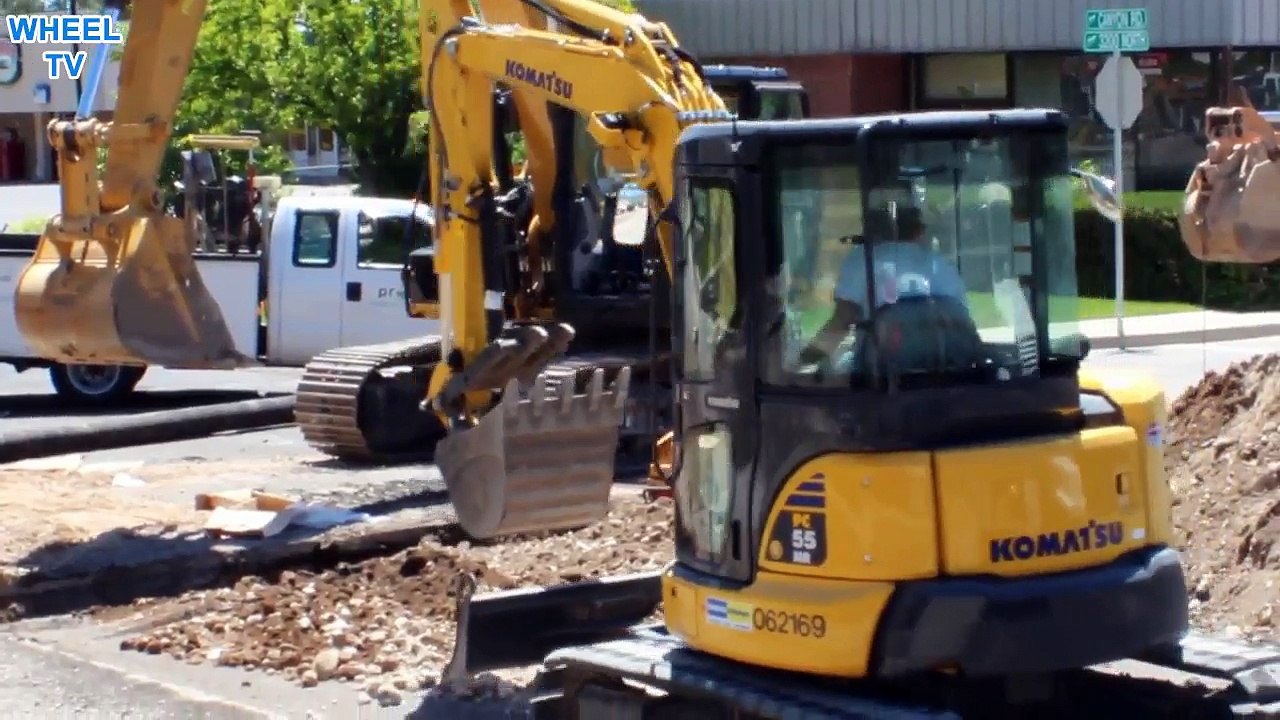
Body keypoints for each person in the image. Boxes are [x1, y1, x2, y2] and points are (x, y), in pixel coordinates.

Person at [798, 205, 967, 365]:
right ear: (918, 232)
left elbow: (842, 321)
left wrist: (801, 362)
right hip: (943, 376)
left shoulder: (863, 260)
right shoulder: (941, 265)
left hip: (879, 378)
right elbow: (962, 325)